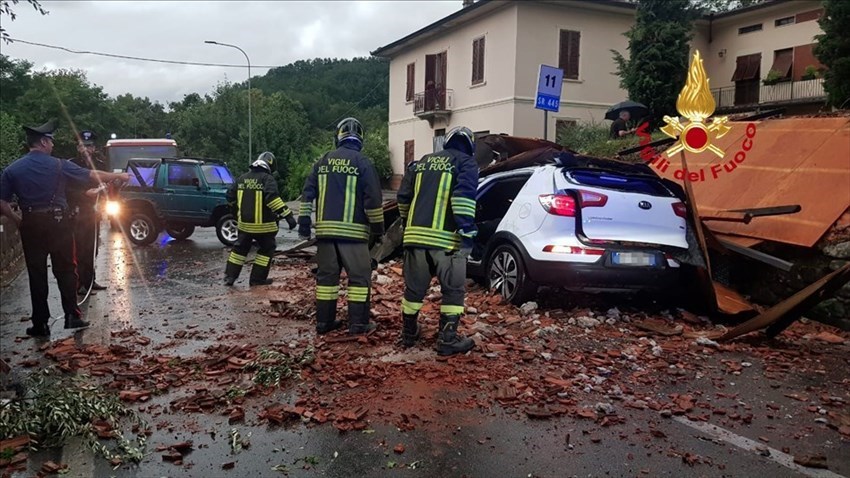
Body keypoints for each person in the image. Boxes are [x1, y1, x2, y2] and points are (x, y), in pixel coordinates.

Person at [0, 121, 130, 337]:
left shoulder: (13, 169)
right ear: (43, 142)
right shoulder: (59, 165)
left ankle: (40, 324)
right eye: (50, 141)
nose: (52, 145)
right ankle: (72, 316)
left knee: (37, 273)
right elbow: (91, 176)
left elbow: (2, 202)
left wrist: (17, 220)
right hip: (59, 223)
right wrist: (118, 176)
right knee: (67, 270)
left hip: (30, 224)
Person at [298, 117, 384, 336]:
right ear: (360, 138)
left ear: (338, 136)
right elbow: (373, 200)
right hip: (353, 235)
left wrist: (304, 224)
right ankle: (358, 325)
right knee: (359, 279)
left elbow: (307, 195)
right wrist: (378, 228)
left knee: (327, 280)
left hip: (326, 235)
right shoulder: (362, 162)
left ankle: (324, 323)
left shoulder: (322, 161)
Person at [396, 126, 478, 356]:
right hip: (446, 241)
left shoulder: (421, 162)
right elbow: (463, 197)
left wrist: (407, 225)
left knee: (414, 289)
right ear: (470, 146)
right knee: (453, 290)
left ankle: (409, 334)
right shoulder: (466, 163)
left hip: (414, 238)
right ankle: (448, 339)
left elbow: (403, 198)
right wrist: (467, 231)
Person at [224, 151, 296, 286]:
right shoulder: (267, 179)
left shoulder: (242, 178)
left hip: (244, 226)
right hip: (264, 227)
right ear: (270, 166)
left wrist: (237, 213)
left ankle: (230, 277)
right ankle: (257, 280)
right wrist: (289, 216)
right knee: (266, 250)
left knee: (239, 250)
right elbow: (272, 199)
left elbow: (229, 197)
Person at [68, 130, 107, 295]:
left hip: (93, 213)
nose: (86, 149)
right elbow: (67, 189)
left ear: (94, 148)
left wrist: (104, 190)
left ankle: (90, 280)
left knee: (92, 248)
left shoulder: (100, 165)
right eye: (83, 146)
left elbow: (106, 185)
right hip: (77, 212)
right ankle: (79, 283)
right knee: (80, 249)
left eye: (89, 146)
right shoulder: (71, 165)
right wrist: (85, 194)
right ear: (78, 147)